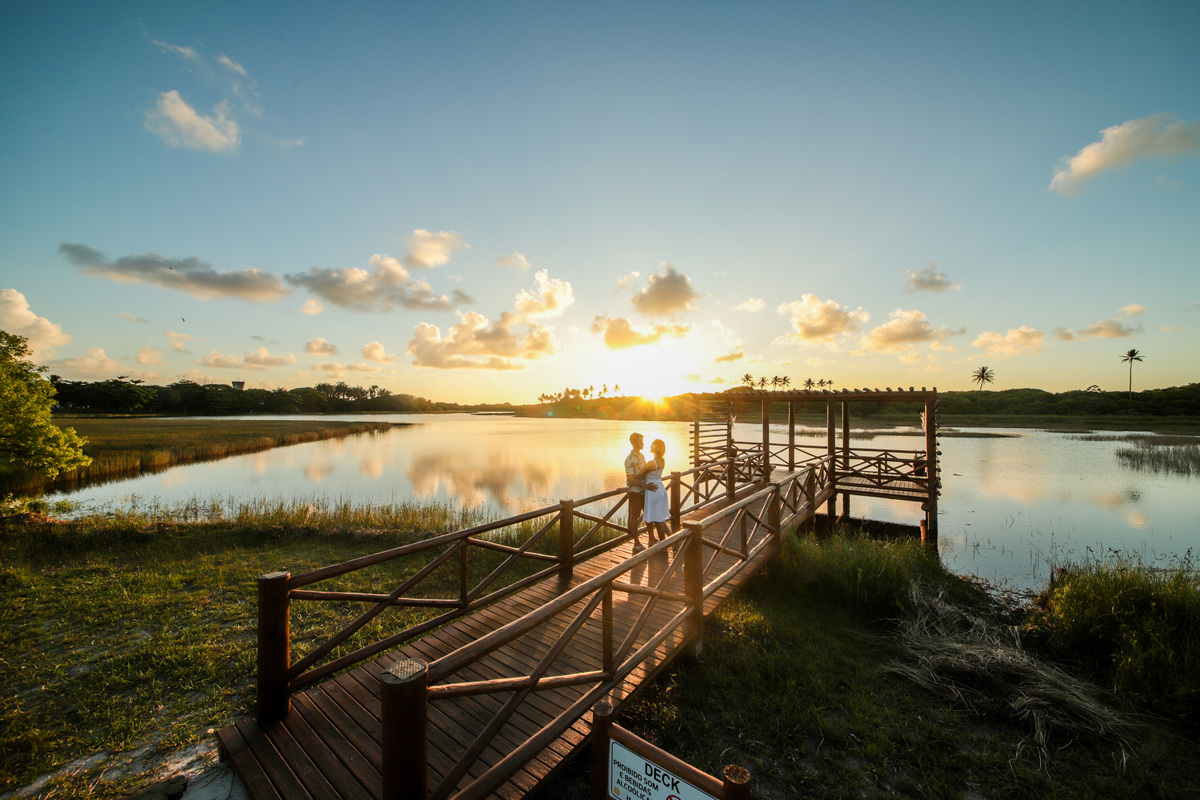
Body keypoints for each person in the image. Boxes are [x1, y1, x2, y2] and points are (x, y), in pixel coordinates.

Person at [624, 432, 657, 548]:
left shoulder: (642, 456)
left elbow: (644, 472)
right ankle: (636, 543)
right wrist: (645, 486)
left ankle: (651, 538)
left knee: (648, 514)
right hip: (636, 492)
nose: (643, 443)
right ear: (635, 442)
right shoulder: (630, 459)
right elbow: (631, 479)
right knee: (635, 516)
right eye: (641, 441)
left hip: (645, 491)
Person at [637, 439, 671, 545]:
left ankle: (663, 545)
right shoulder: (662, 461)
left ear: (656, 448)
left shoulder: (651, 463)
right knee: (660, 518)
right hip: (660, 488)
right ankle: (673, 540)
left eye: (652, 445)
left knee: (658, 520)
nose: (650, 446)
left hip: (652, 490)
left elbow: (639, 476)